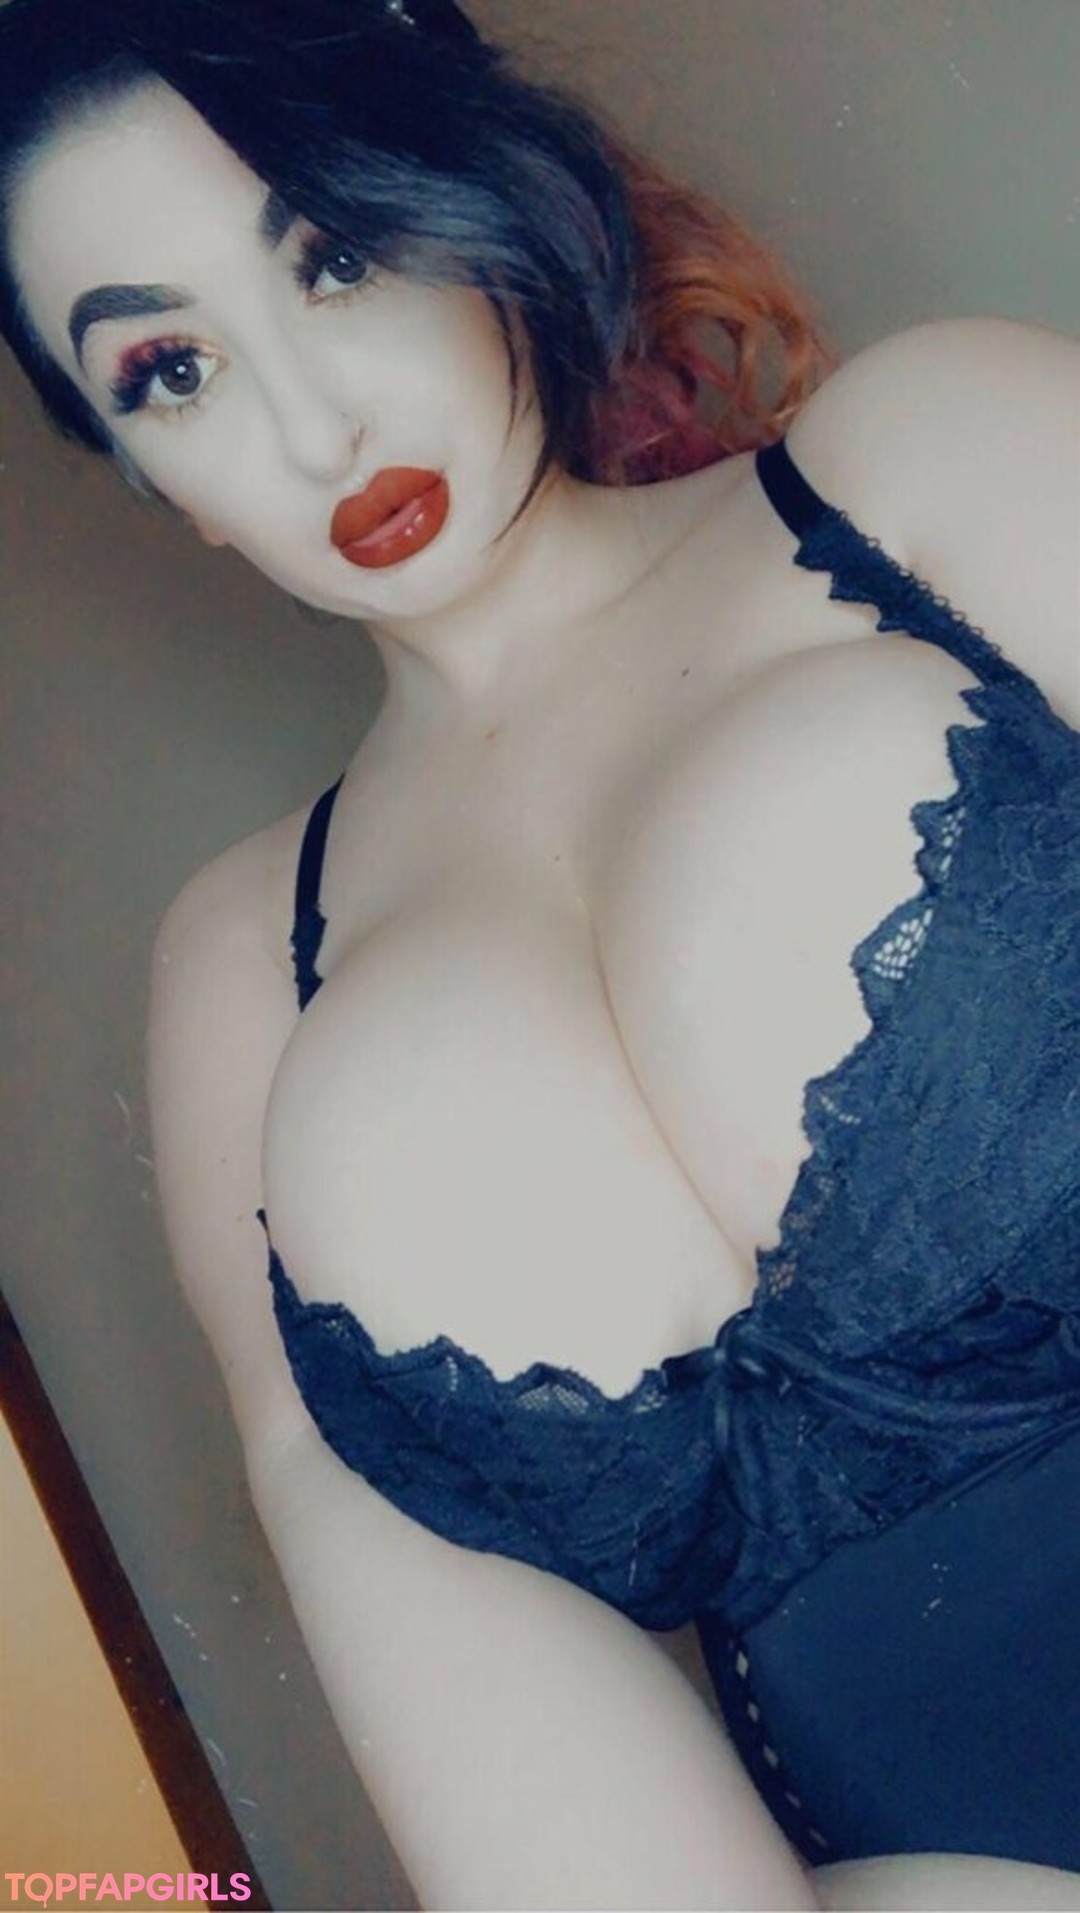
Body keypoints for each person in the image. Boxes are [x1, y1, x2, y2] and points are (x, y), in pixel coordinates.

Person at [2, 0, 1077, 1906]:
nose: (313, 427)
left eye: (333, 257)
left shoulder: (930, 463)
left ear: (466, 187)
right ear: (151, 480)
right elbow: (473, 1682)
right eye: (169, 370)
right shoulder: (246, 983)